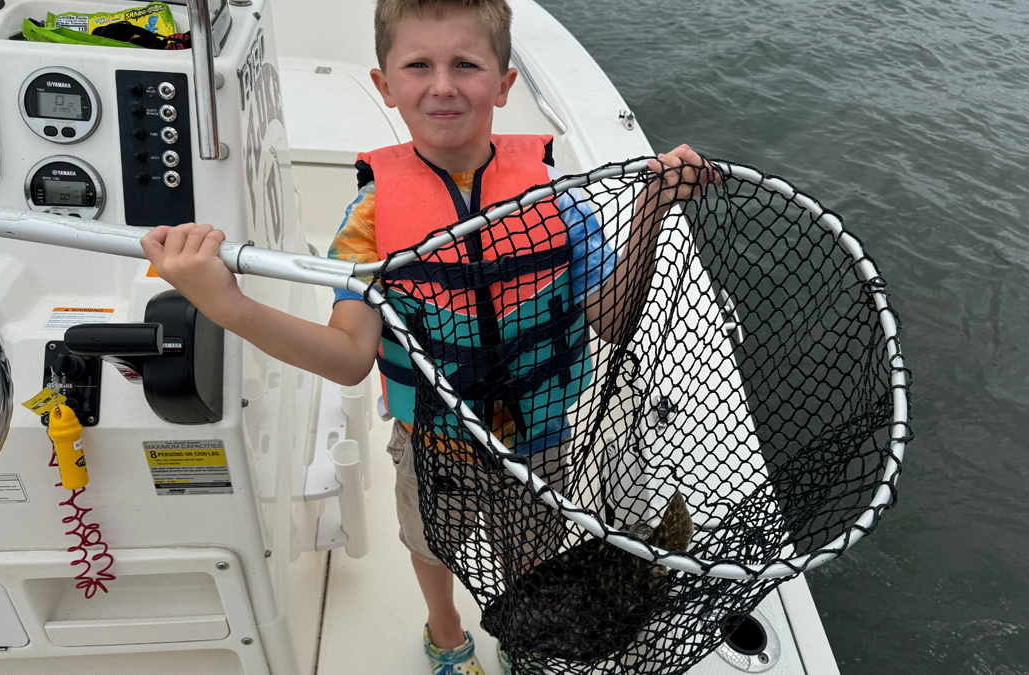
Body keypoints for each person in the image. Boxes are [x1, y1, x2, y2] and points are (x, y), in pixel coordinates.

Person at [140, 1, 714, 672]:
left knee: (529, 548)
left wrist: (651, 207)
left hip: (542, 436)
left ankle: (521, 637)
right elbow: (350, 356)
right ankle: (445, 632)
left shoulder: (558, 195)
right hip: (432, 443)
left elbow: (612, 321)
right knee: (430, 543)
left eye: (466, 65)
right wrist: (228, 305)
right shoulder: (372, 215)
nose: (443, 86)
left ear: (503, 85)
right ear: (385, 84)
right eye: (419, 65)